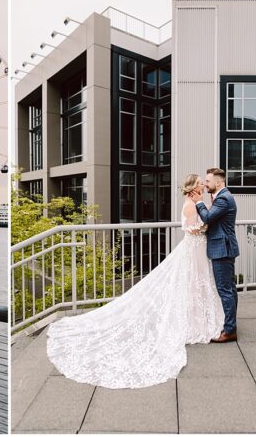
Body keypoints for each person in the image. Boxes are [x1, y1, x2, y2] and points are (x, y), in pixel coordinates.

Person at [46, 173, 225, 389]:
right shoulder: (190, 205)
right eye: (200, 184)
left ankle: (198, 320)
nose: (203, 186)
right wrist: (204, 228)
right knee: (191, 284)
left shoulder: (197, 202)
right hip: (193, 248)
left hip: (198, 249)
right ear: (194, 188)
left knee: (197, 285)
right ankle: (194, 321)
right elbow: (189, 228)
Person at [187, 167, 240, 343]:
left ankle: (230, 330)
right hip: (224, 248)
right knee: (230, 290)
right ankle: (230, 325)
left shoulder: (224, 198)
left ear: (218, 182)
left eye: (208, 181)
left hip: (222, 249)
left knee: (225, 290)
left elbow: (208, 218)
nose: (205, 184)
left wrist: (199, 203)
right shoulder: (221, 196)